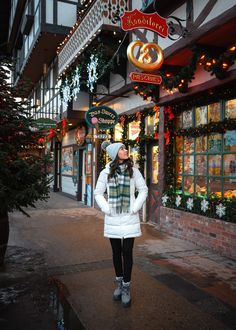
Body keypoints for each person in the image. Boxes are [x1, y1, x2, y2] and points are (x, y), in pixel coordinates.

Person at [94, 141, 148, 307]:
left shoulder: (134, 171)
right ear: (115, 153)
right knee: (116, 252)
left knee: (127, 252)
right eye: (122, 149)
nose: (125, 151)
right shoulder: (105, 172)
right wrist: (106, 208)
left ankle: (126, 286)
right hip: (113, 217)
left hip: (129, 217)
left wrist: (135, 207)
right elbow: (98, 193)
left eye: (125, 148)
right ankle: (119, 282)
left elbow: (143, 189)